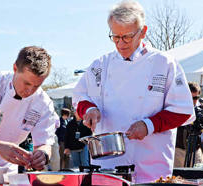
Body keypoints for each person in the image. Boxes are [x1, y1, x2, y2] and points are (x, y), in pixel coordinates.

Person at [72, 0, 195, 183]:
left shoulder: (165, 63)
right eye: (115, 37)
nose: (121, 44)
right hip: (106, 166)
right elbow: (80, 97)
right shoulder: (100, 65)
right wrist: (89, 110)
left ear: (143, 32)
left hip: (151, 164)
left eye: (127, 37)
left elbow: (183, 111)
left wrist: (149, 125)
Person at [174, 82, 203, 167]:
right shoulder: (177, 107)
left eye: (196, 98)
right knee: (178, 178)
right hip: (178, 150)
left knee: (197, 178)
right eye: (190, 98)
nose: (193, 101)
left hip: (195, 150)